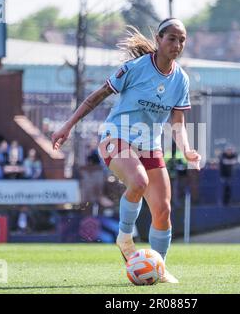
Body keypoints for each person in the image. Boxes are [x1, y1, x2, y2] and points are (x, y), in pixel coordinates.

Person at [52, 18, 201, 283]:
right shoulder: (135, 68)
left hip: (150, 146)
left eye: (182, 40)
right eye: (172, 38)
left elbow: (178, 124)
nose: (177, 44)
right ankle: (124, 237)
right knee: (139, 181)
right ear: (158, 39)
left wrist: (188, 150)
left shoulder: (181, 80)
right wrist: (67, 126)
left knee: (163, 211)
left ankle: (158, 268)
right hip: (116, 137)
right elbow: (95, 97)